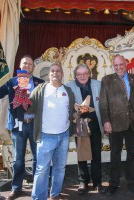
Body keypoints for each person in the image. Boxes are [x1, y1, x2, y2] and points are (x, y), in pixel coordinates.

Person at [0, 55, 44, 200]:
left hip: (34, 125)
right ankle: (16, 188)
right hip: (17, 126)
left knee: (37, 158)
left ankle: (37, 188)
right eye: (24, 63)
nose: (27, 65)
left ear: (33, 67)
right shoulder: (12, 82)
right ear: (20, 66)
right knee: (18, 159)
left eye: (30, 64)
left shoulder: (40, 83)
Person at [29, 63, 75, 200]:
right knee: (42, 170)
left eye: (58, 71)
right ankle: (38, 197)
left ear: (62, 74)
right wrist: (22, 100)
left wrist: (79, 112)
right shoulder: (39, 90)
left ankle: (54, 194)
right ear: (49, 74)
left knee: (60, 168)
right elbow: (29, 108)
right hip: (45, 136)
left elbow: (72, 111)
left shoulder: (68, 91)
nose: (55, 73)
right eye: (53, 71)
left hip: (64, 135)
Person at [99, 54, 134, 196]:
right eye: (115, 65)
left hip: (133, 124)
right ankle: (113, 183)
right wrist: (106, 121)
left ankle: (132, 182)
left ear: (126, 63)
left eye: (121, 64)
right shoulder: (107, 80)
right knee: (115, 155)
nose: (118, 67)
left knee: (132, 155)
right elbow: (103, 103)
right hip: (114, 124)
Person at [65, 64, 103, 194]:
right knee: (82, 154)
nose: (82, 76)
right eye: (79, 74)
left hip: (95, 124)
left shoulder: (98, 84)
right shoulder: (69, 86)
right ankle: (83, 181)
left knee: (96, 154)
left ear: (89, 74)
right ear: (76, 75)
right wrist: (75, 116)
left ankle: (97, 182)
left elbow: (102, 104)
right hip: (80, 125)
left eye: (85, 73)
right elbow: (67, 106)